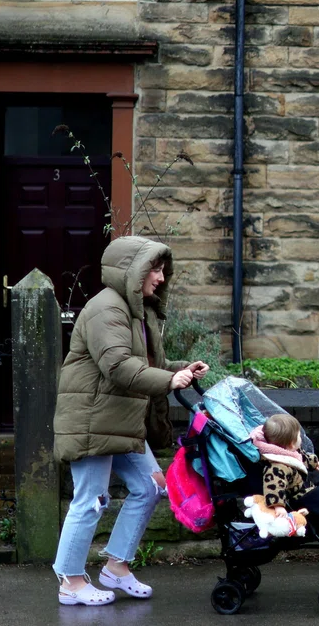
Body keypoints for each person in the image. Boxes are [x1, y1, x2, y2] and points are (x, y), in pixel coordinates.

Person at [52, 235, 209, 606]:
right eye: (154, 269)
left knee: (151, 486)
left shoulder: (137, 311)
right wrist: (170, 381)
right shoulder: (107, 309)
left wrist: (181, 370)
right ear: (132, 271)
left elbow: (146, 367)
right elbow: (120, 367)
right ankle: (70, 581)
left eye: (162, 269)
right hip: (93, 419)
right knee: (90, 499)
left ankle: (116, 568)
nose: (161, 277)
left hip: (119, 421)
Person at [249, 414, 319, 516]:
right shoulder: (277, 465)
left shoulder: (288, 451)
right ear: (291, 444)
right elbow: (273, 485)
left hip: (305, 487)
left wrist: (313, 463)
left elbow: (301, 458)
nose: (300, 438)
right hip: (297, 497)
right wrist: (278, 505)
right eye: (298, 435)